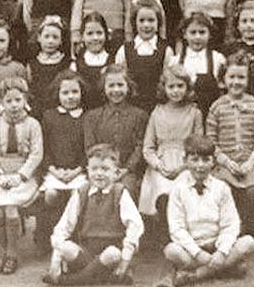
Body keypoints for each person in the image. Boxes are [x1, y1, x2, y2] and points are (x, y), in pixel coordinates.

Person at [157, 135, 254, 287]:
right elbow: (177, 228)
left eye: (205, 160)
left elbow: (231, 224)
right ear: (185, 161)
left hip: (217, 246)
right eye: (195, 160)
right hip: (193, 250)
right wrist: (198, 253)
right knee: (171, 251)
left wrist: (221, 252)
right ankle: (227, 269)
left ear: (213, 162)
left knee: (248, 242)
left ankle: (197, 275)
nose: (200, 166)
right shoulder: (178, 190)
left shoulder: (221, 188)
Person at [43, 144, 144, 286]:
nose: (99, 174)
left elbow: (135, 226)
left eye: (105, 169)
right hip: (86, 251)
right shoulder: (82, 192)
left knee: (112, 253)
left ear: (116, 172)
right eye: (94, 168)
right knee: (65, 247)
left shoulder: (120, 193)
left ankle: (72, 281)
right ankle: (98, 276)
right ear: (87, 170)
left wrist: (125, 261)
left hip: (112, 253)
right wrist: (56, 260)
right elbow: (64, 226)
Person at [0, 77, 43, 275]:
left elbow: (36, 154)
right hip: (1, 178)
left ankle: (13, 253)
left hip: (23, 179)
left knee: (9, 209)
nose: (14, 105)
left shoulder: (33, 124)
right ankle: (1, 252)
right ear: (1, 103)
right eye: (8, 101)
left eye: (18, 100)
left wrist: (20, 176)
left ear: (25, 100)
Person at [206, 51, 254, 234]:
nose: (236, 82)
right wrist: (226, 161)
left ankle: (247, 228)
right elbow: (211, 140)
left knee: (253, 191)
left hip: (250, 164)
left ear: (248, 79)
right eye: (232, 77)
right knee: (221, 188)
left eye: (241, 77)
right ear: (223, 79)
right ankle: (227, 229)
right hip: (225, 164)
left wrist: (250, 162)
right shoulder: (216, 107)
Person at [139, 66, 203, 229]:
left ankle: (184, 230)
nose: (176, 91)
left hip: (186, 164)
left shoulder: (194, 112)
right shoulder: (157, 112)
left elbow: (199, 145)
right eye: (171, 87)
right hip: (161, 165)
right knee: (162, 190)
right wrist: (158, 166)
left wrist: (184, 167)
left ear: (187, 88)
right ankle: (165, 231)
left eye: (180, 86)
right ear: (164, 88)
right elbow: (148, 147)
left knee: (183, 189)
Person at [34, 70, 89, 253]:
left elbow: (88, 149)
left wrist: (77, 170)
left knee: (79, 194)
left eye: (75, 92)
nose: (70, 97)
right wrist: (53, 170)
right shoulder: (49, 116)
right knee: (51, 194)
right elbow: (45, 148)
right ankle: (50, 234)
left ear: (82, 93)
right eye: (65, 93)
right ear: (57, 94)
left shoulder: (86, 117)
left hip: (78, 171)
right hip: (54, 171)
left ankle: (73, 236)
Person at [83, 64, 148, 199]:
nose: (116, 90)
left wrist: (126, 169)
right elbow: (90, 147)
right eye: (111, 85)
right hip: (99, 170)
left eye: (120, 85)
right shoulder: (92, 117)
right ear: (104, 88)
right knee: (89, 192)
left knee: (126, 190)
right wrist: (106, 169)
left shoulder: (139, 115)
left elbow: (140, 146)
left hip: (127, 171)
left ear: (128, 87)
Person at [115, 0, 174, 113]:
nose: (146, 25)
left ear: (158, 23)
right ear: (135, 23)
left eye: (151, 20)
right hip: (131, 108)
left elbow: (169, 81)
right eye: (141, 20)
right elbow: (119, 79)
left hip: (158, 108)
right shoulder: (125, 50)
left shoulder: (166, 50)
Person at [170, 12, 226, 121]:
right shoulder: (175, 61)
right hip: (183, 116)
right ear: (184, 34)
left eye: (202, 32)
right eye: (193, 32)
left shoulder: (218, 59)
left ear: (210, 34)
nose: (197, 37)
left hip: (211, 116)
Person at [27, 15, 71, 121]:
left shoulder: (66, 63)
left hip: (59, 110)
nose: (50, 41)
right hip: (37, 110)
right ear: (39, 38)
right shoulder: (32, 64)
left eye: (55, 37)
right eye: (46, 37)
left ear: (61, 41)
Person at [70, 11, 114, 110]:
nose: (95, 38)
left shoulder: (113, 61)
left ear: (106, 34)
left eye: (99, 33)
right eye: (90, 33)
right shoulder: (76, 65)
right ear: (82, 36)